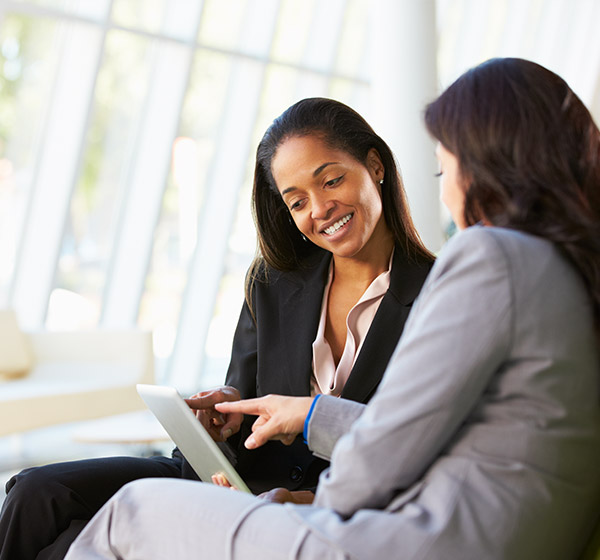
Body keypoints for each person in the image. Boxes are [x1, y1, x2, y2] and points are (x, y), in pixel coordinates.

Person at [65, 57, 600, 560]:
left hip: (416, 539)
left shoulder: (492, 257)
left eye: (446, 172)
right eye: (296, 199)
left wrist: (310, 508)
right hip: (503, 536)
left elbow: (392, 446)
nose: (447, 195)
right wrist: (304, 415)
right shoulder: (570, 270)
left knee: (130, 513)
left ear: (490, 163)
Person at [0, 98, 434, 560]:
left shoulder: (441, 298)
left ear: (374, 165)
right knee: (34, 492)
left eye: (332, 181)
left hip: (326, 511)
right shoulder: (272, 283)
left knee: (67, 548)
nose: (321, 209)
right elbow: (243, 397)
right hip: (232, 484)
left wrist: (308, 501)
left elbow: (426, 453)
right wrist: (225, 413)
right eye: (297, 201)